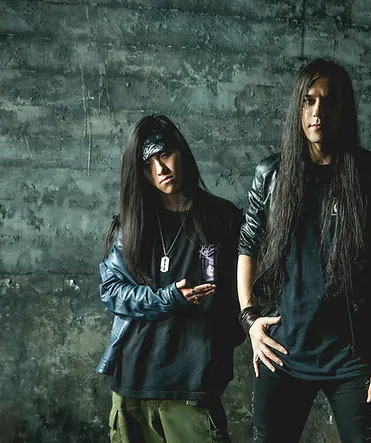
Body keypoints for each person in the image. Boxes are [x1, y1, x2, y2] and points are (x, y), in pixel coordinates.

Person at [237, 58, 371, 442]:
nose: (318, 111)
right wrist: (249, 320)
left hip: (354, 357)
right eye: (309, 100)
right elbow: (248, 244)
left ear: (344, 110)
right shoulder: (272, 174)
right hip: (284, 350)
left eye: (329, 102)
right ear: (298, 108)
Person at [96, 114, 244, 442]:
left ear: (181, 153)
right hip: (133, 383)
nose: (160, 169)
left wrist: (219, 345)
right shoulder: (133, 224)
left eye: (165, 155)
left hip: (192, 385)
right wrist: (168, 299)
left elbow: (244, 291)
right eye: (148, 163)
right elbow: (112, 291)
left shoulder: (223, 218)